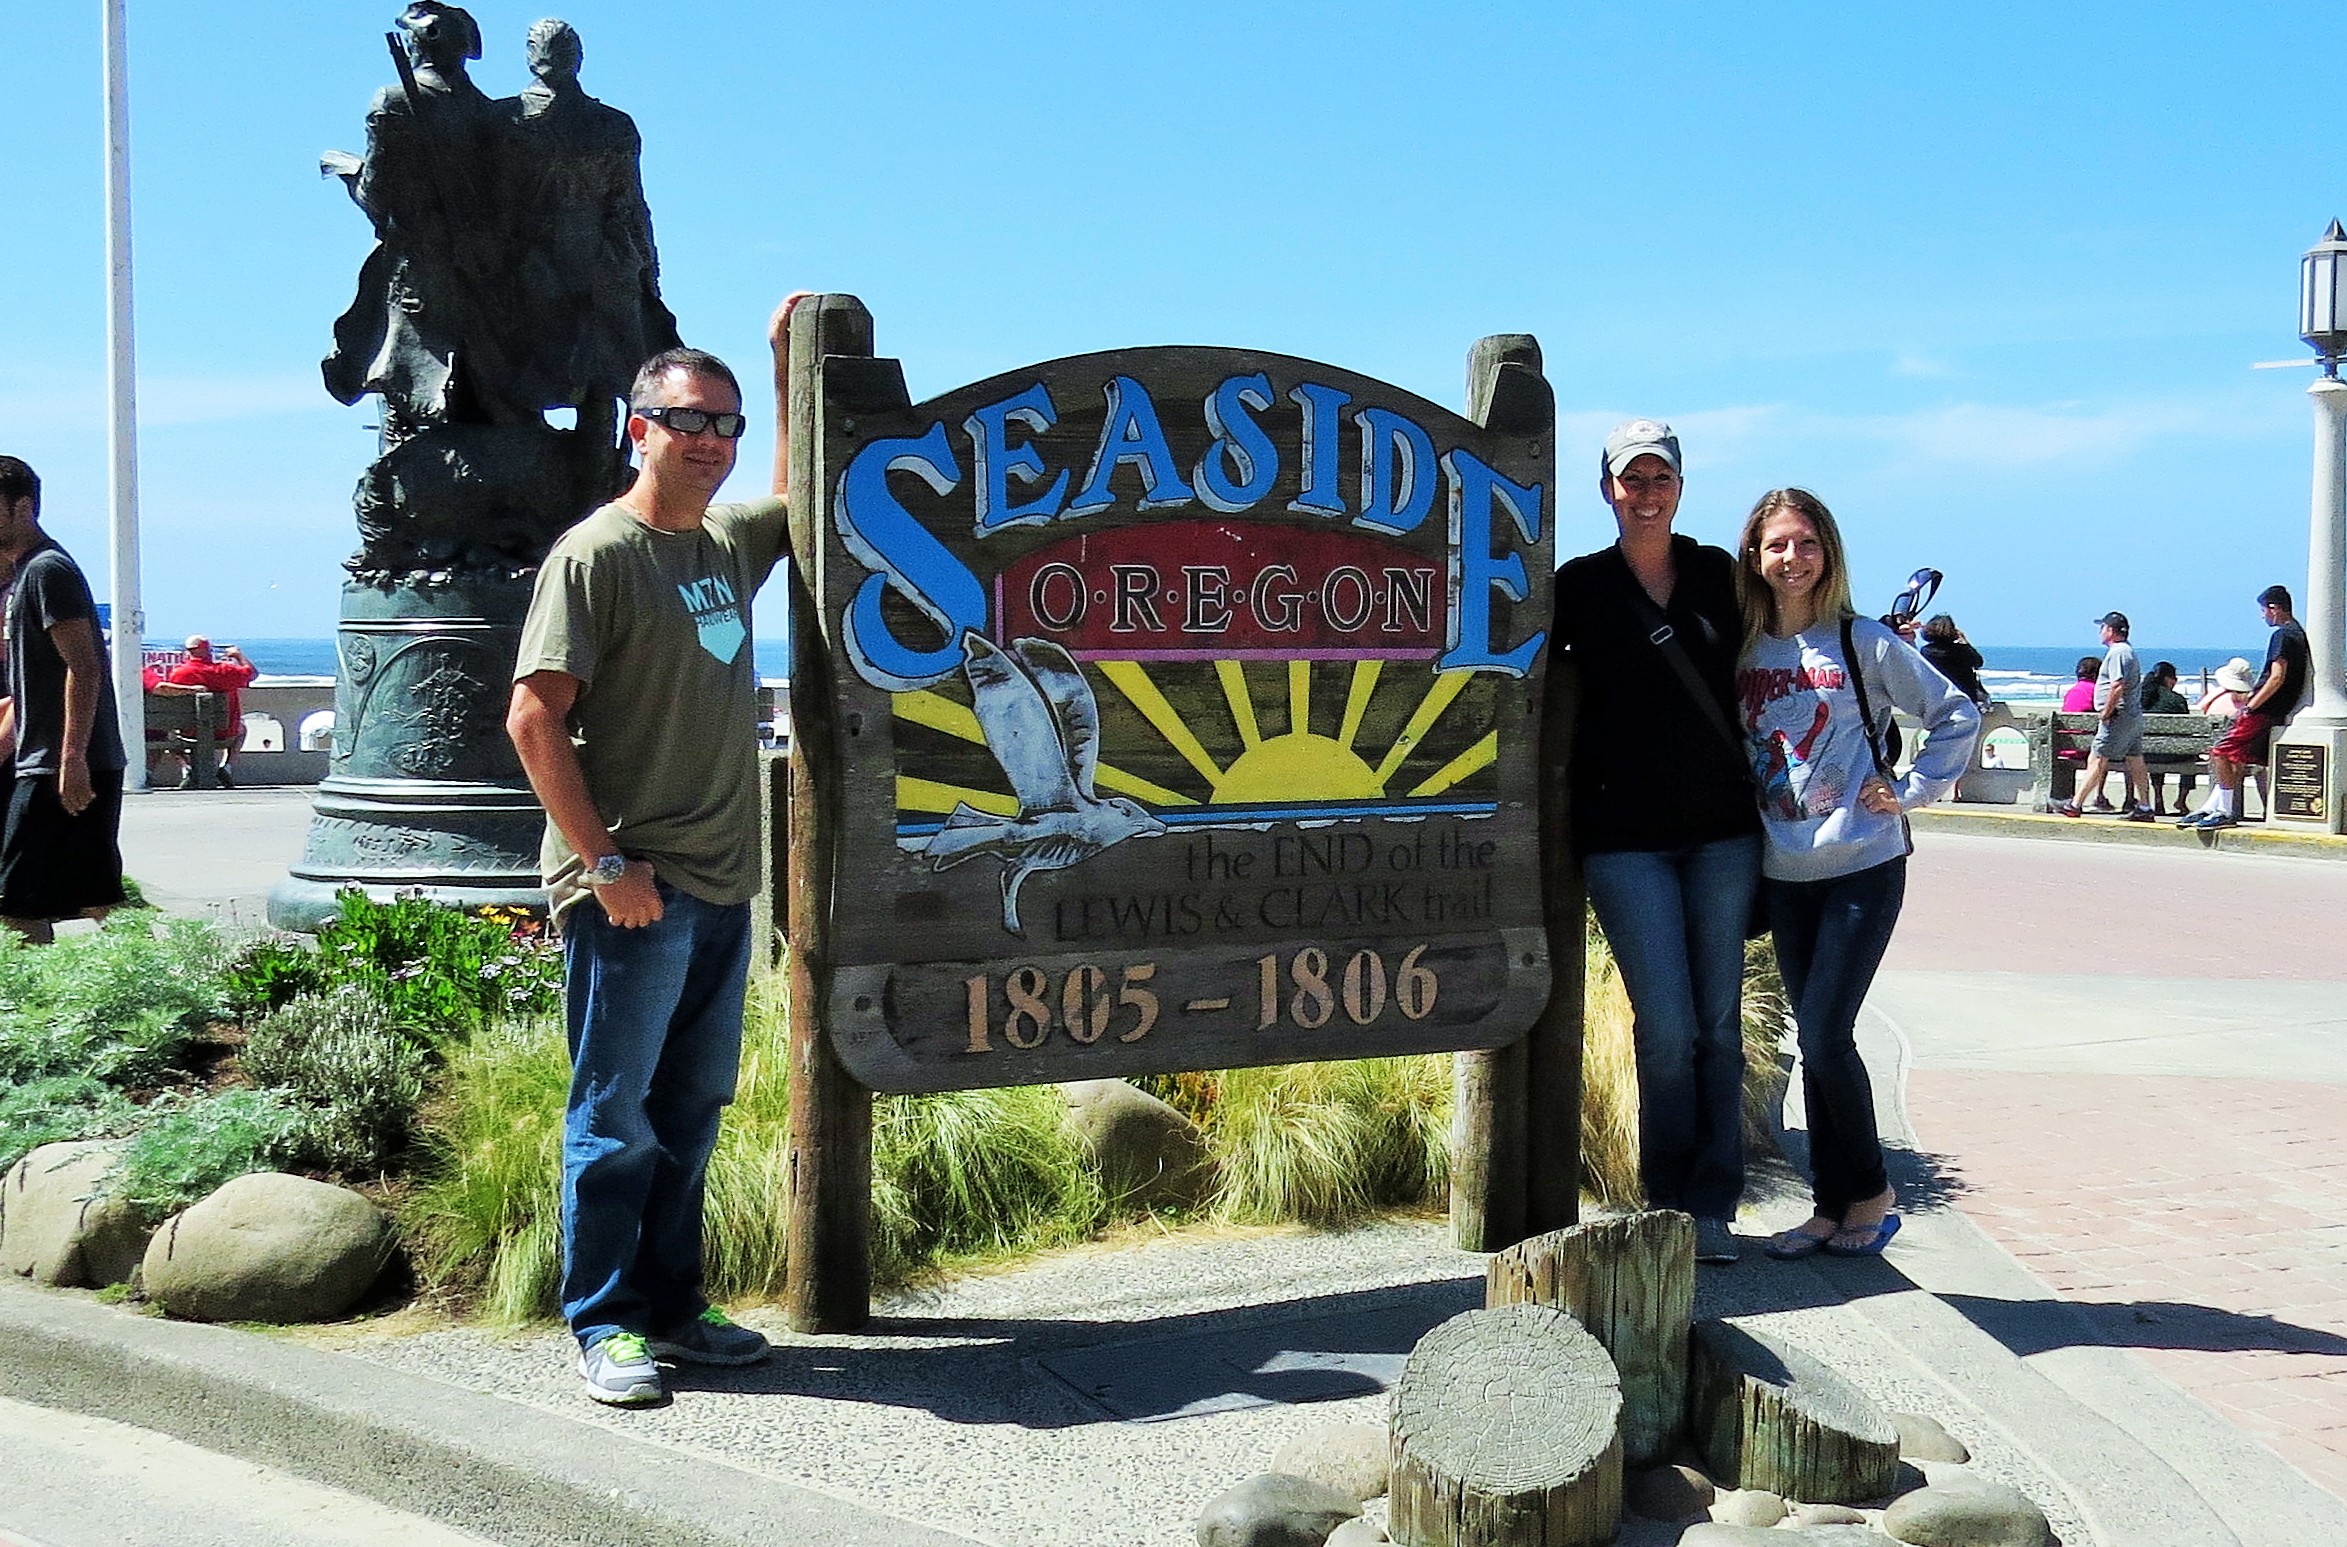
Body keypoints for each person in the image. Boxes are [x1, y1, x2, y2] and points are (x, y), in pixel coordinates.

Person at [507, 300, 803, 1407]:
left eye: (726, 423)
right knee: (614, 1116)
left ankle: (675, 1308)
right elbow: (533, 716)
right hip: (633, 887)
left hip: (722, 885)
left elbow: (796, 494)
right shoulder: (597, 555)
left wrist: (785, 367)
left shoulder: (722, 542)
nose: (711, 441)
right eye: (689, 421)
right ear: (640, 428)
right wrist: (602, 866)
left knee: (690, 1111)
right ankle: (604, 1322)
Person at [1732, 489, 1980, 1259]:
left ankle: (1870, 1193)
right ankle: (1828, 1207)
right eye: (1777, 544)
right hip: (1783, 868)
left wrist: (1910, 791)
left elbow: (1955, 713)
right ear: (1754, 555)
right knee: (1815, 1041)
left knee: (1826, 1033)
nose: (1792, 558)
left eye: (1806, 543)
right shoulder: (1744, 649)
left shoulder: (1860, 640)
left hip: (1861, 863)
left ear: (1828, 553)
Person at [1552, 420, 1761, 1267]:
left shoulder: (1718, 576)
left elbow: (1787, 658)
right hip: (1623, 840)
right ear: (1606, 489)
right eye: (1630, 479)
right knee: (1668, 1026)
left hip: (1723, 834)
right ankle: (1666, 1197)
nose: (1645, 493)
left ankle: (1710, 1203)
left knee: (1719, 1026)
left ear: (1680, 486)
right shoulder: (1578, 585)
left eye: (1659, 478)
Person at [0, 457, 128, 945]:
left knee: (17, 902)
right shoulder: (25, 574)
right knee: (95, 896)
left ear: (23, 507)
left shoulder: (47, 570)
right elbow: (31, 684)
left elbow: (85, 666)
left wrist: (72, 760)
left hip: (62, 765)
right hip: (54, 760)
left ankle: (29, 991)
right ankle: (151, 974)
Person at [2182, 586, 2311, 830]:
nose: (2263, 616)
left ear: (2274, 608)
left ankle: (2225, 810)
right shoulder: (2299, 634)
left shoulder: (2282, 636)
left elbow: (2276, 677)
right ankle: (2212, 806)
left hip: (2265, 710)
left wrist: (2251, 706)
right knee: (2235, 757)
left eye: (2264, 610)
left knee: (2220, 752)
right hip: (2279, 709)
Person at [2053, 612, 2150, 822]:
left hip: (2118, 715)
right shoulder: (2126, 651)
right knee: (2135, 759)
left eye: (2103, 627)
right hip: (2131, 715)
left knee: (2097, 758)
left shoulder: (2118, 653)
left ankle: (2074, 805)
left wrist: (2106, 712)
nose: (2100, 631)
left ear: (2110, 630)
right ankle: (2145, 806)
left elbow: (2117, 685)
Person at [164, 637, 260, 787]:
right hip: (224, 732)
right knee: (242, 728)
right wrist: (238, 655)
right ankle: (227, 767)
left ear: (189, 652)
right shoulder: (225, 671)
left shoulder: (179, 673)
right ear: (207, 651)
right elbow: (252, 674)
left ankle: (187, 768)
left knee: (167, 733)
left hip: (189, 732)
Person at [2138, 661, 2193, 815]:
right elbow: (2187, 730)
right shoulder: (2176, 699)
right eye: (2174, 679)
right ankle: (2181, 800)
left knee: (2156, 747)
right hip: (2172, 755)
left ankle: (2158, 797)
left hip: (2145, 754)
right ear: (2168, 679)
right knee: (2190, 752)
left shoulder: (2141, 699)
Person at [1916, 615, 1990, 706]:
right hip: (1965, 696)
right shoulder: (1961, 650)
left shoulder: (1926, 651)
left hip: (1938, 696)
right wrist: (1965, 642)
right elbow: (1978, 662)